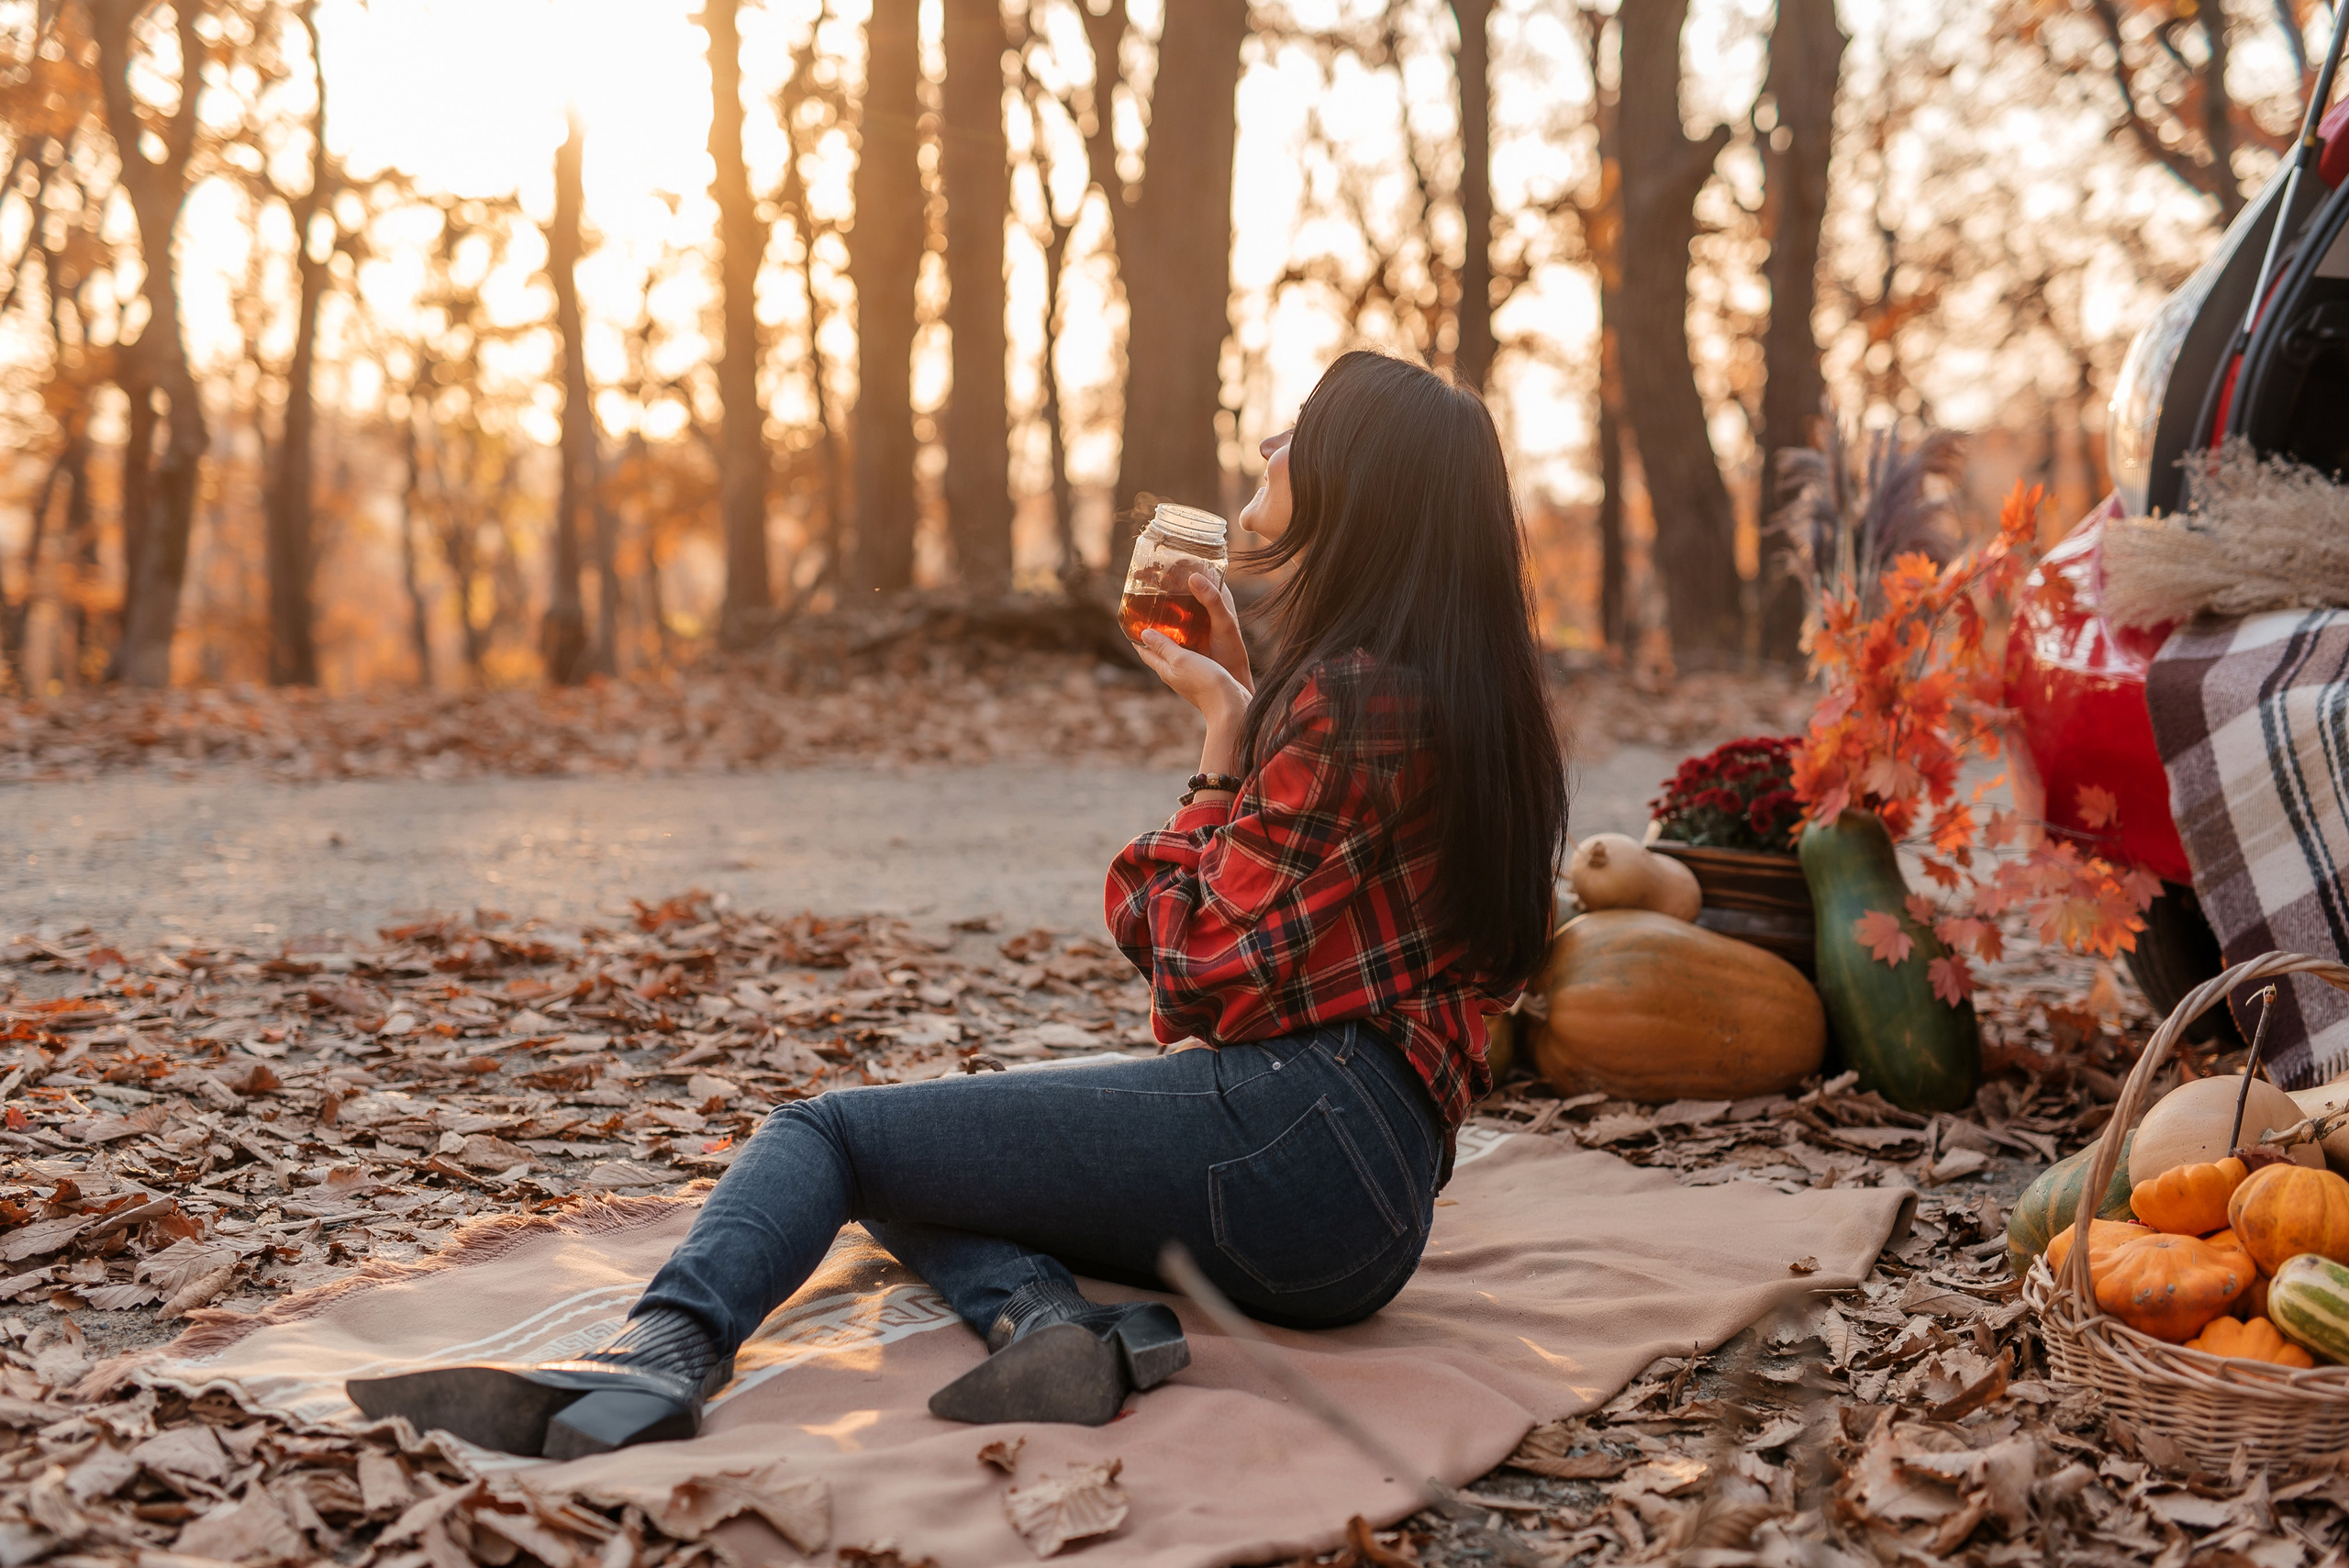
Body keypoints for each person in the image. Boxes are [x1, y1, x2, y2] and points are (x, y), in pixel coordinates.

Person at [347, 350, 1569, 1458]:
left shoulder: (1351, 700)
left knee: (828, 1133)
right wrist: (1243, 722)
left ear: (1362, 484)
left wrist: (1219, 743)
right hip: (1373, 1203)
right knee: (923, 1158)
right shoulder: (1461, 704)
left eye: (1299, 428)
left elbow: (1190, 971)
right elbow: (1259, 983)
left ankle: (651, 1355)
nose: (1267, 445)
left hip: (1298, 1148)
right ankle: (1060, 1330)